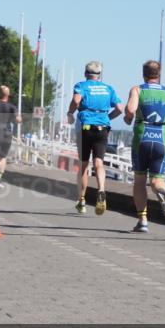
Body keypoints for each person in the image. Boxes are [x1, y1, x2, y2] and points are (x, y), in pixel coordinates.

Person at [123, 60, 165, 232]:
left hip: (142, 137)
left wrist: (128, 117)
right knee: (157, 179)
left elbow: (130, 110)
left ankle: (142, 220)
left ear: (144, 74)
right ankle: (162, 192)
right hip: (161, 138)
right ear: (159, 74)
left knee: (140, 179)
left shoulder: (137, 89)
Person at [67, 61, 123, 215]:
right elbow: (119, 108)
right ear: (100, 75)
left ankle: (82, 201)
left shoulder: (82, 85)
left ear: (86, 73)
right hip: (102, 127)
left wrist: (70, 113)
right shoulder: (108, 88)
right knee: (99, 163)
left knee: (84, 165)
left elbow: (76, 100)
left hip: (86, 127)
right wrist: (107, 118)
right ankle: (102, 190)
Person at [0, 85, 20, 185]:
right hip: (8, 135)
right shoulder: (12, 107)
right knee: (3, 157)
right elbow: (18, 120)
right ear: (8, 95)